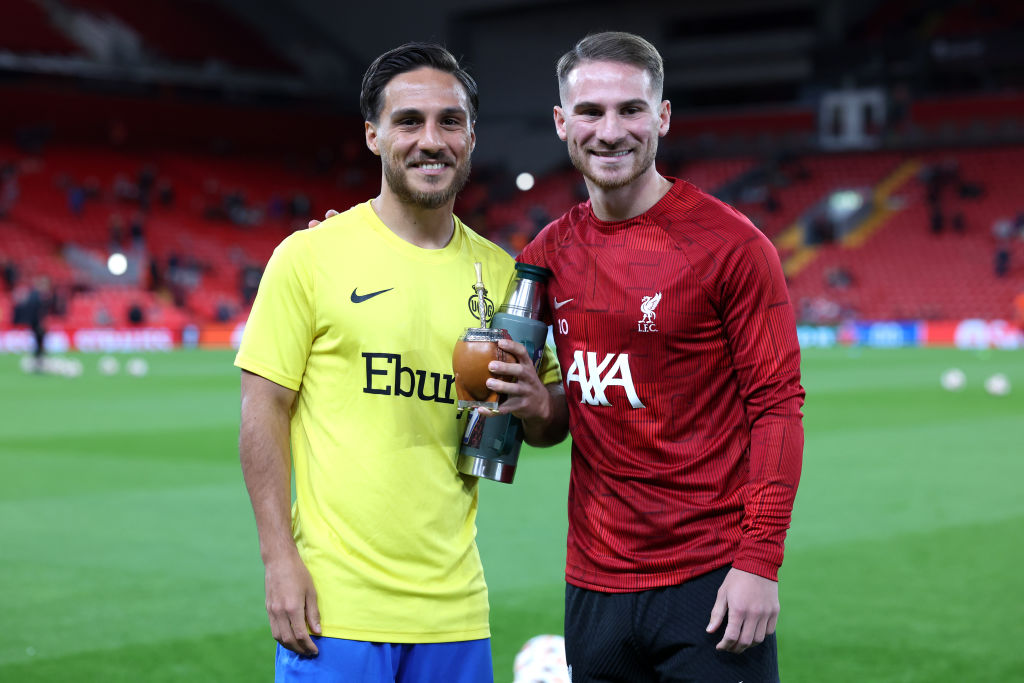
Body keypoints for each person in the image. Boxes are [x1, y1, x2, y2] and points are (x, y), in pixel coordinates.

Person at [234, 43, 565, 683]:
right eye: (409, 121)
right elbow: (263, 408)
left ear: (471, 137)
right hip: (335, 610)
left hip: (457, 611)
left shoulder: (503, 277)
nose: (430, 140)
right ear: (373, 135)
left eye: (449, 122)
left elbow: (549, 425)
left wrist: (535, 402)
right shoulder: (310, 257)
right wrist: (279, 559)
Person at [507, 32, 805, 682]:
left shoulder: (731, 246)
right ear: (563, 123)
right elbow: (558, 421)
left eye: (631, 109)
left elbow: (778, 407)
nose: (610, 131)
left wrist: (759, 560)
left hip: (710, 578)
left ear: (662, 117)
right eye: (590, 112)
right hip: (593, 584)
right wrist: (535, 405)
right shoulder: (545, 255)